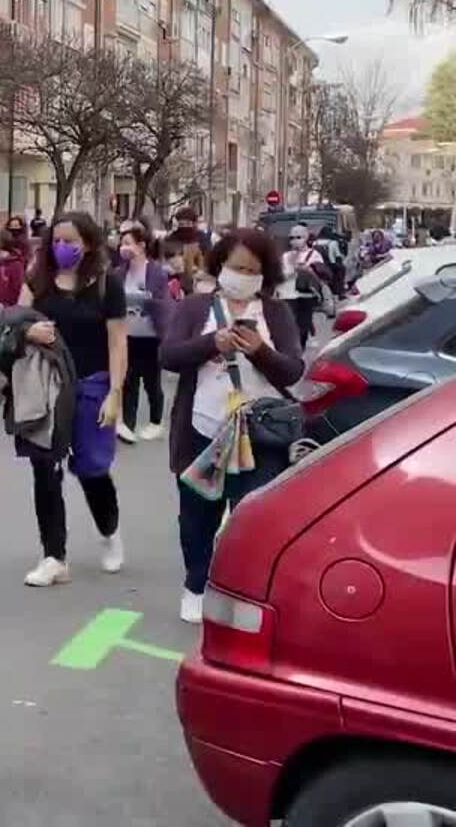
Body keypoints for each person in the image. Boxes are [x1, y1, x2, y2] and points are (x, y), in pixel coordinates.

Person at [160, 228, 305, 625]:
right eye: (235, 266)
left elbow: (293, 369)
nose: (242, 275)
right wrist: (213, 344)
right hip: (203, 431)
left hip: (261, 435)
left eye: (252, 270)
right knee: (197, 516)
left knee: (251, 518)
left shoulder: (276, 313)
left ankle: (245, 591)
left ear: (265, 276)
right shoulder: (194, 308)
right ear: (220, 265)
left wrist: (259, 351)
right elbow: (169, 356)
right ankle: (196, 584)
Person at [19, 212, 128, 588]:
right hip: (46, 387)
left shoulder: (106, 286)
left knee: (92, 469)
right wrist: (28, 330)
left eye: (71, 241)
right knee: (44, 471)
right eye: (57, 240)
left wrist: (115, 394)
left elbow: (117, 342)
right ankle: (54, 556)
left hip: (92, 385)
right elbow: (15, 322)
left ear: (89, 244)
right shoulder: (38, 280)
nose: (62, 247)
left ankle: (109, 531)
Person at [117, 223, 173, 444]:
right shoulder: (119, 272)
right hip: (127, 335)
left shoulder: (156, 272)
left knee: (151, 382)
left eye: (128, 243)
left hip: (151, 337)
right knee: (128, 382)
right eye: (122, 243)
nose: (124, 248)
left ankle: (155, 422)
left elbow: (163, 303)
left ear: (141, 246)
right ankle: (127, 427)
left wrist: (146, 299)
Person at [280, 226, 329, 350]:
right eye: (292, 238)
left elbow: (321, 275)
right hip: (287, 295)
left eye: (298, 237)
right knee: (289, 326)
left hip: (307, 295)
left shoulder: (314, 254)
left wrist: (309, 270)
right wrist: (292, 268)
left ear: (306, 238)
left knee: (302, 327)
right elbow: (279, 276)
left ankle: (300, 349)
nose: (295, 241)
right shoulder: (285, 256)